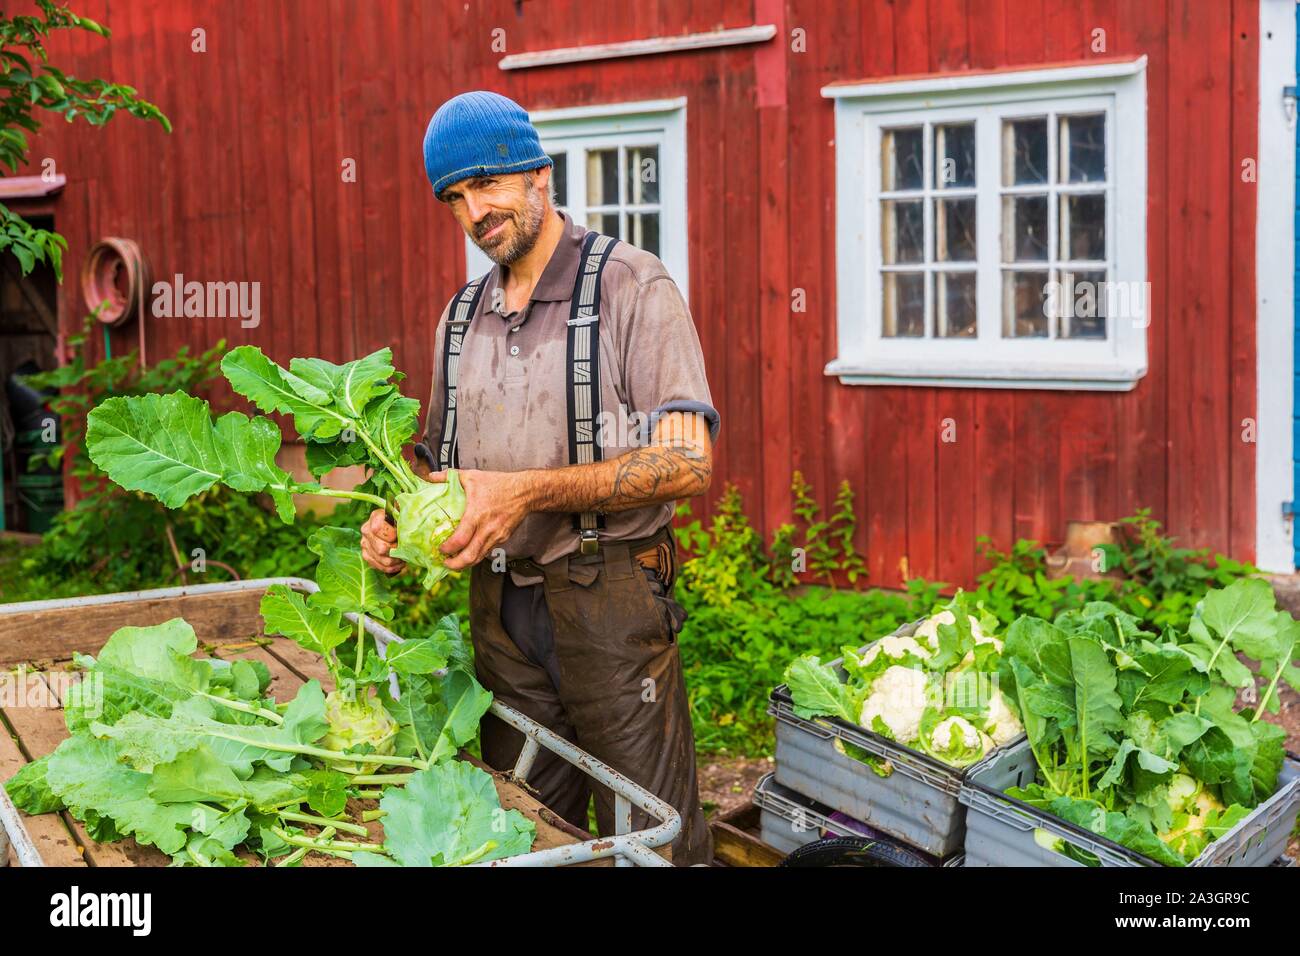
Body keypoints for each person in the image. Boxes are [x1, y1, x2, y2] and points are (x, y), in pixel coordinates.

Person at [360, 90, 718, 865]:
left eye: (487, 183)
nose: (474, 210)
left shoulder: (629, 286)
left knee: (649, 834)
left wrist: (528, 491)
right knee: (521, 828)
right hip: (500, 615)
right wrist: (393, 516)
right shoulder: (460, 318)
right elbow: (438, 467)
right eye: (454, 197)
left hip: (610, 603)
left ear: (538, 174)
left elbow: (688, 461)